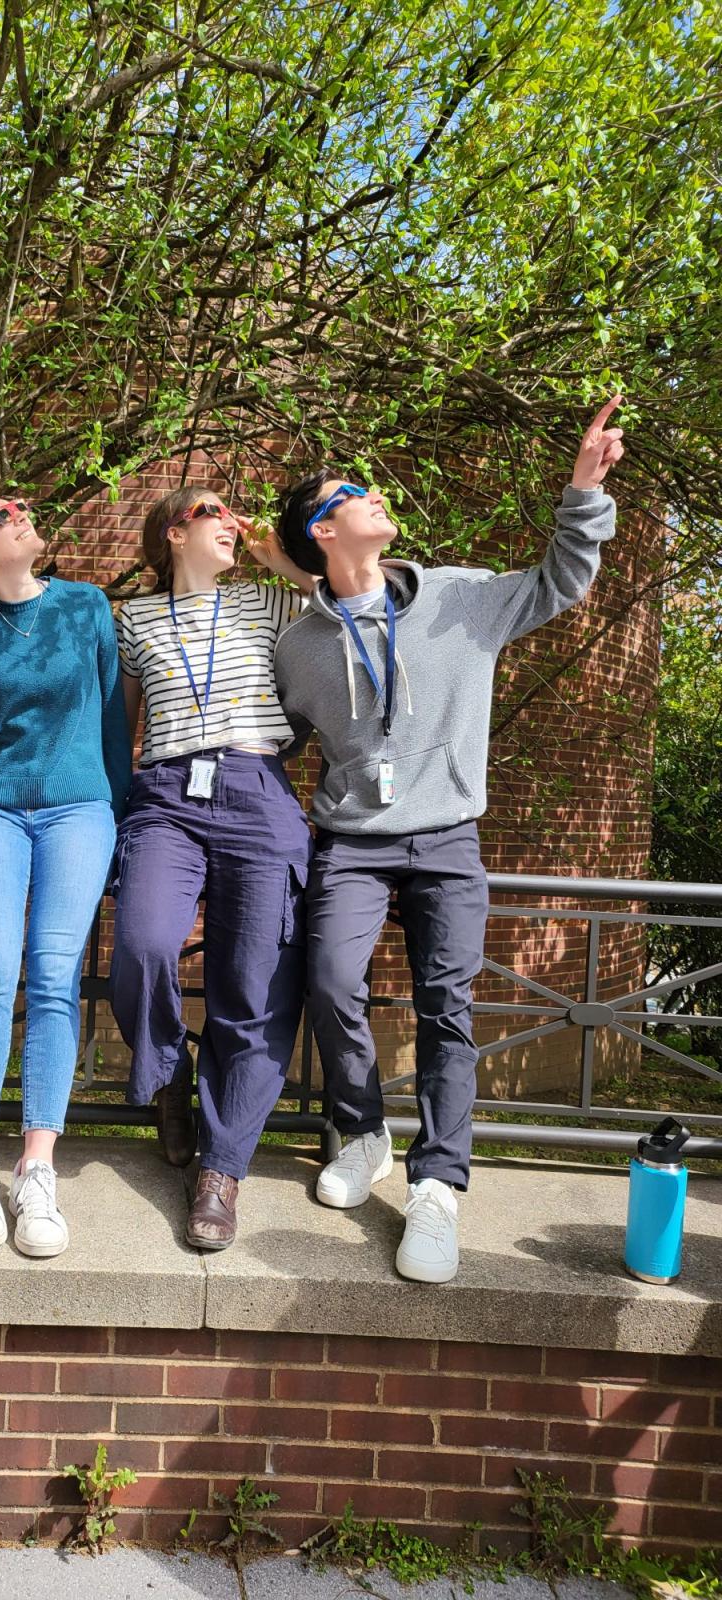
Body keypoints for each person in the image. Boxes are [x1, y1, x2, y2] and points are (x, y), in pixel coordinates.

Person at [273, 399, 625, 1283]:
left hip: (447, 841)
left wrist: (583, 491)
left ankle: (437, 1185)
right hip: (351, 840)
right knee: (327, 979)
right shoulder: (299, 648)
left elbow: (559, 581)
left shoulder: (462, 597)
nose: (376, 495)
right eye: (355, 492)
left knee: (446, 1008)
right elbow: (273, 741)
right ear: (324, 528)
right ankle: (360, 1133)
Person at [109, 487, 318, 1250]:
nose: (230, 520)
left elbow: (360, 602)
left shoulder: (266, 603)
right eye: (213, 510)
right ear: (173, 531)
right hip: (165, 793)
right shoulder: (131, 620)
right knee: (145, 943)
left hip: (258, 790)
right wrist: (107, 812)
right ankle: (167, 1077)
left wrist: (284, 562)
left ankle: (222, 1169)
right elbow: (119, 729)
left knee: (253, 984)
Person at [0, 495, 131, 1259]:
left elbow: (114, 715)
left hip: (81, 810)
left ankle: (38, 1168)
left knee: (54, 973)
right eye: (0, 515)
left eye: (20, 506)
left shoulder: (86, 606)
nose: (20, 515)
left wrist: (117, 813)